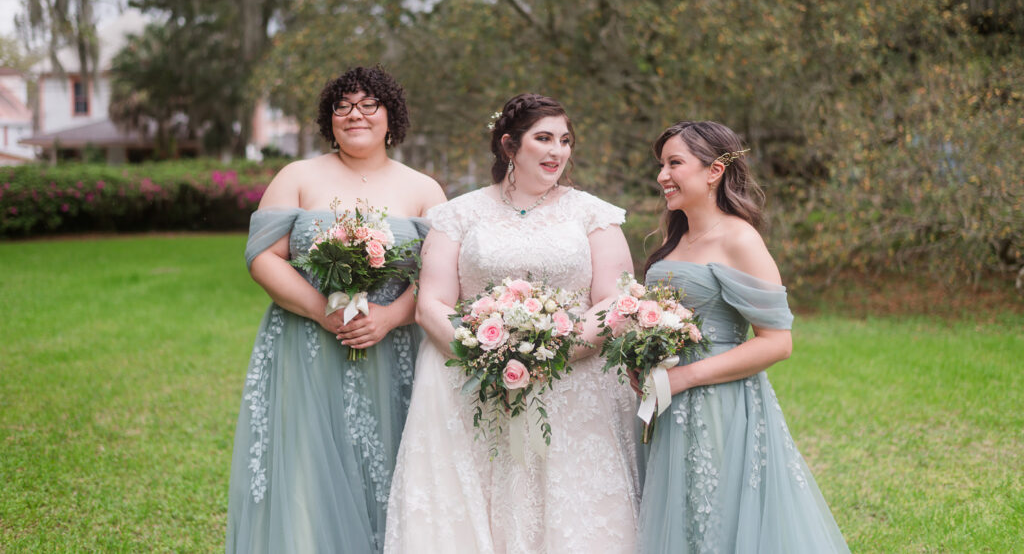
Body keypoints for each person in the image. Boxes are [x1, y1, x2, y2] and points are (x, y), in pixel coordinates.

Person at [384, 93, 641, 554]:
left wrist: (551, 355)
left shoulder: (593, 214)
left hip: (572, 382)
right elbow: (432, 304)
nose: (557, 151)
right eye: (543, 138)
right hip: (469, 381)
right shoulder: (457, 215)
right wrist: (489, 358)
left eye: (565, 140)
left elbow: (614, 300)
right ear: (509, 146)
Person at [225, 66, 447, 554]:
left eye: (369, 104)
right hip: (305, 346)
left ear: (392, 116)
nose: (355, 115)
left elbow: (440, 279)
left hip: (393, 350)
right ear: (330, 119)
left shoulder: (425, 189)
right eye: (343, 106)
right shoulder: (297, 176)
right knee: (306, 465)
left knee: (390, 463)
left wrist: (389, 318)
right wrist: (322, 310)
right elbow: (262, 258)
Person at [635, 120, 849, 553]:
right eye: (661, 165)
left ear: (714, 171)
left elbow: (777, 341)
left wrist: (685, 378)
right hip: (665, 405)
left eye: (674, 163)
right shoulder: (675, 238)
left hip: (720, 405)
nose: (662, 176)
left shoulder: (739, 239)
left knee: (716, 517)